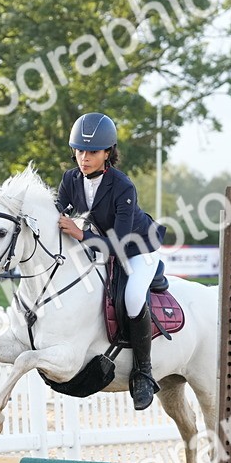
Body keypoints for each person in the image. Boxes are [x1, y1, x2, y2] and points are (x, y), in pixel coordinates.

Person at [56, 112, 166, 410]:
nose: (84, 157)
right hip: (102, 245)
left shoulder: (122, 186)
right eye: (79, 150)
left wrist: (79, 234)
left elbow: (118, 243)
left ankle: (143, 372)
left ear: (108, 153)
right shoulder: (70, 179)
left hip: (137, 248)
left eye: (92, 152)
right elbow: (59, 213)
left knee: (131, 298)